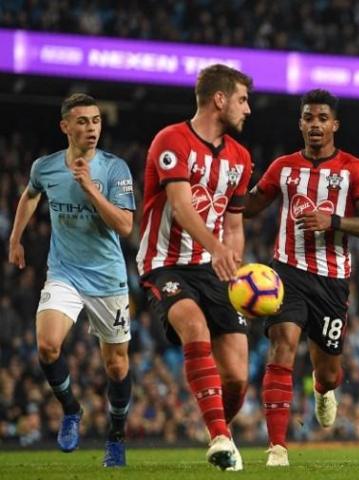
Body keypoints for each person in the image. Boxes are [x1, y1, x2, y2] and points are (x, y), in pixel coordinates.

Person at [243, 88, 359, 466]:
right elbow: (252, 205)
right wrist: (221, 192)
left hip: (332, 281)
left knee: (328, 370)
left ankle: (323, 390)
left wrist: (332, 221)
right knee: (282, 345)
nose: (315, 125)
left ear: (334, 124)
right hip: (286, 271)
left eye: (322, 118)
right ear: (300, 123)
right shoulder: (283, 167)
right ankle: (277, 447)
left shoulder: (355, 168)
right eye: (309, 118)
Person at [136, 64, 253, 471]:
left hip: (213, 268)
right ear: (219, 99)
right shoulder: (172, 140)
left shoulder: (240, 158)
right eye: (242, 99)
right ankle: (220, 437)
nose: (248, 109)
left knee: (238, 377)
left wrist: (232, 262)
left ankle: (220, 431)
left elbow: (235, 224)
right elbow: (182, 207)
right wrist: (218, 247)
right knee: (194, 325)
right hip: (165, 265)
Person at [8, 93, 135, 467]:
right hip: (64, 272)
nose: (91, 128)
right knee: (47, 346)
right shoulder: (45, 167)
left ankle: (115, 435)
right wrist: (16, 239)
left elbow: (125, 226)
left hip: (108, 279)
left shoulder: (114, 169)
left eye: (96, 121)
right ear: (65, 126)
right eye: (82, 121)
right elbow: (30, 196)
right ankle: (71, 410)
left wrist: (91, 189)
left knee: (116, 366)